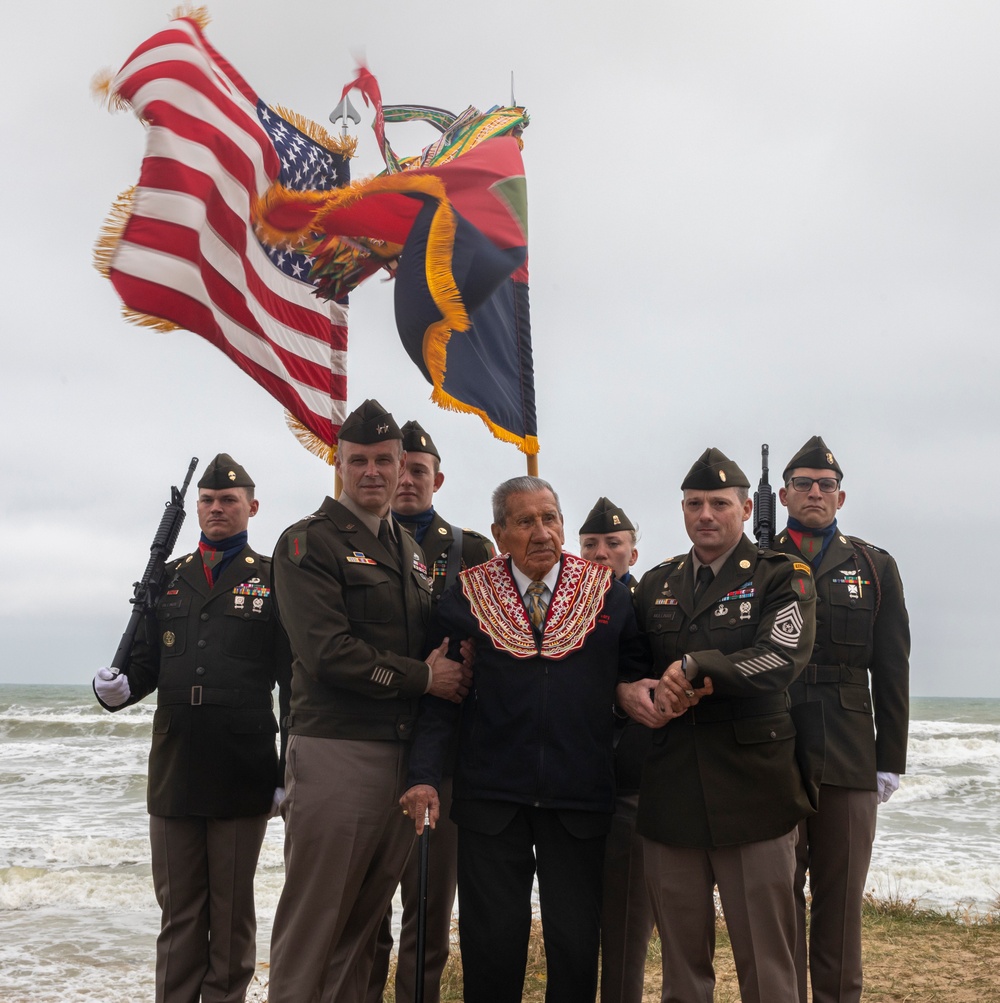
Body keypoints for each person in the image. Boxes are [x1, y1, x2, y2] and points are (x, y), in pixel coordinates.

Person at [400, 476, 650, 1003]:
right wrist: (423, 777)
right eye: (525, 521)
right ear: (498, 532)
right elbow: (439, 696)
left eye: (550, 518)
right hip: (492, 796)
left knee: (576, 946)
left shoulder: (608, 594)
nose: (542, 532)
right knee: (491, 948)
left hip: (579, 796)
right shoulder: (466, 595)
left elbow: (634, 678)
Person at [265, 399, 473, 1003]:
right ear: (339, 464)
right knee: (315, 925)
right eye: (360, 461)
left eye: (386, 460)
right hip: (338, 752)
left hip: (401, 757)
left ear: (404, 463)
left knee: (361, 929)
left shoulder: (408, 552)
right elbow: (327, 652)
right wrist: (421, 679)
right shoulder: (309, 543)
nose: (375, 473)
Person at [92, 453, 291, 1003]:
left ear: (252, 507)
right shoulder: (169, 577)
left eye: (228, 500)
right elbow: (145, 666)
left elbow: (291, 683)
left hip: (241, 766)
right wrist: (117, 688)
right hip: (176, 764)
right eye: (207, 501)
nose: (216, 508)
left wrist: (285, 771)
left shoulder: (272, 578)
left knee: (230, 917)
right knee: (179, 913)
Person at [626, 447, 817, 1003]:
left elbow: (780, 656)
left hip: (754, 791)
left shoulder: (782, 577)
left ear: (743, 508)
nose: (705, 514)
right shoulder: (655, 584)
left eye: (718, 503)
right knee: (682, 968)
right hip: (670, 790)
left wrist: (694, 666)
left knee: (768, 964)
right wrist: (627, 692)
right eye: (693, 504)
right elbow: (631, 668)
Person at [773, 435, 910, 1003]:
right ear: (783, 495)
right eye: (803, 484)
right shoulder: (756, 560)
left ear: (841, 497)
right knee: (777, 899)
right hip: (772, 744)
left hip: (850, 751)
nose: (814, 493)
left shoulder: (874, 566)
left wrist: (889, 762)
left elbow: (893, 668)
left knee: (842, 899)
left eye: (825, 485)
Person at [368, 418, 495, 1003]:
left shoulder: (470, 550)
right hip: (372, 740)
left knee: (428, 902)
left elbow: (501, 635)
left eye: (421, 471)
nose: (408, 480)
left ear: (437, 479)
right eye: (403, 468)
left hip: (445, 749)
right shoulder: (353, 544)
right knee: (365, 910)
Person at [578, 497, 654, 1003]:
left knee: (628, 922)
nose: (602, 552)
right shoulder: (563, 608)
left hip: (631, 781)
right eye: (590, 545)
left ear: (633, 551)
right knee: (575, 918)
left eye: (613, 544)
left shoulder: (652, 605)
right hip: (573, 782)